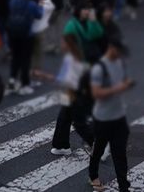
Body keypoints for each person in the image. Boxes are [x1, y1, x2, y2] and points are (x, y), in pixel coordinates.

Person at [88, 36, 135, 192]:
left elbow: (123, 80)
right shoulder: (99, 68)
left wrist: (126, 85)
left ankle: (123, 187)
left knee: (120, 153)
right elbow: (96, 93)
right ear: (111, 48)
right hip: (102, 119)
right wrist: (119, 88)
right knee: (98, 150)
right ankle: (93, 175)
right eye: (119, 51)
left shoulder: (120, 63)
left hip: (119, 117)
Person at [51, 33, 94, 156]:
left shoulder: (74, 59)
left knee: (78, 122)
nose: (61, 44)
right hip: (69, 93)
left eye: (63, 42)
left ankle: (97, 143)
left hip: (74, 94)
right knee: (63, 118)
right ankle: (61, 145)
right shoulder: (71, 57)